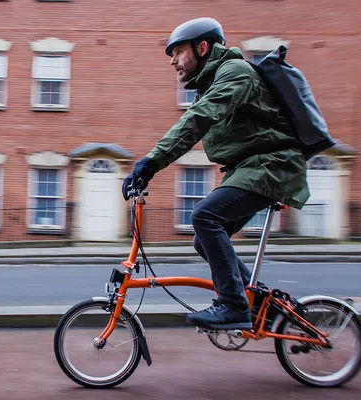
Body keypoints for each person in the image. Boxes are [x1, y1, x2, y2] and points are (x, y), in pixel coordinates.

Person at [122, 17, 310, 330]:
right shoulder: (212, 83)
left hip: (273, 165)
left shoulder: (234, 72)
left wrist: (151, 162)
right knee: (202, 239)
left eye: (178, 52)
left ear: (203, 47)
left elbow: (198, 119)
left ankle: (235, 306)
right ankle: (264, 305)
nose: (173, 61)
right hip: (251, 168)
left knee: (204, 217)